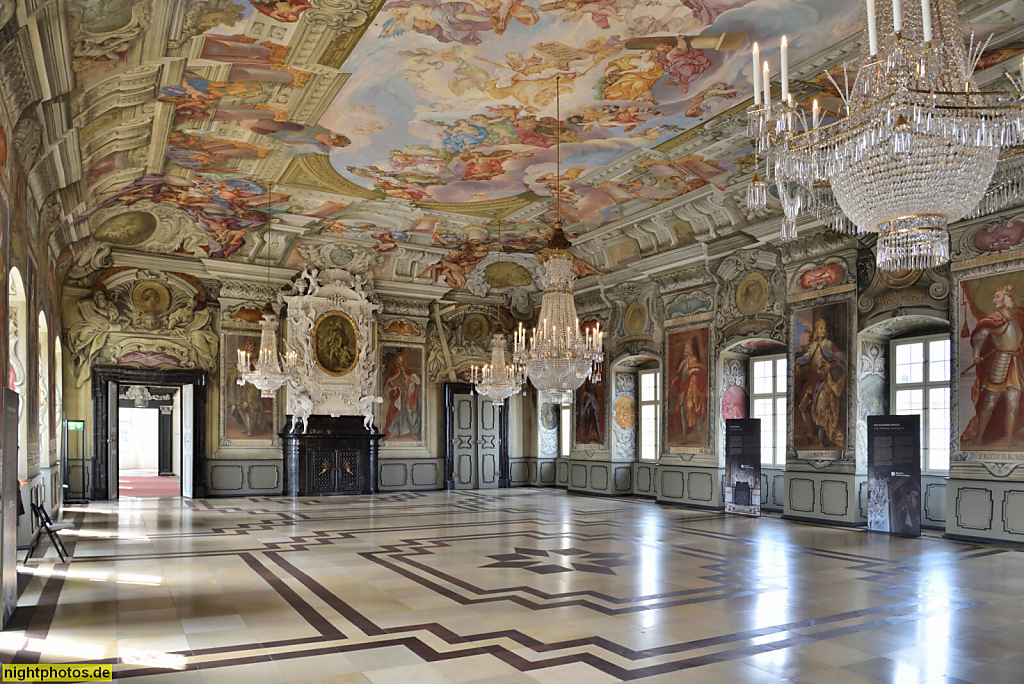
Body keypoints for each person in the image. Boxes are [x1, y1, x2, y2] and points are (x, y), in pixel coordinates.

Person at [963, 283, 1024, 445]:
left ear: (1007, 296)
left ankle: (1009, 439)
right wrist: (976, 355)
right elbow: (980, 336)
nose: (994, 300)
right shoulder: (994, 319)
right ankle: (979, 436)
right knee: (989, 402)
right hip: (1000, 361)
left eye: (997, 296)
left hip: (1016, 364)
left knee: (1013, 405)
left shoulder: (1019, 317)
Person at [795, 318, 846, 448]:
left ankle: (820, 441)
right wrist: (797, 366)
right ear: (817, 330)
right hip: (813, 380)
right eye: (821, 328)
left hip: (825, 381)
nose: (823, 331)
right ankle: (811, 434)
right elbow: (805, 359)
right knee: (802, 406)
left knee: (821, 411)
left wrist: (830, 366)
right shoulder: (813, 346)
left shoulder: (828, 344)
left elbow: (840, 359)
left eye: (825, 328)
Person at [673, 339, 707, 440]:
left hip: (692, 389)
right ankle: (684, 435)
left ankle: (696, 432)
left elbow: (701, 370)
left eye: (688, 349)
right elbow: (680, 374)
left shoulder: (693, 360)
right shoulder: (683, 362)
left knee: (692, 409)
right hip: (684, 388)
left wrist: (693, 369)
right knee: (680, 409)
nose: (686, 351)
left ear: (691, 350)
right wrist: (675, 379)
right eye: (685, 349)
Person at [577, 378, 601, 443]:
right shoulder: (586, 394)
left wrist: (596, 409)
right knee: (587, 424)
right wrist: (584, 410)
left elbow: (594, 403)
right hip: (588, 410)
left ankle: (599, 438)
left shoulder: (592, 395)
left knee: (596, 423)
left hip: (593, 410)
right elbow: (585, 404)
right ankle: (587, 438)